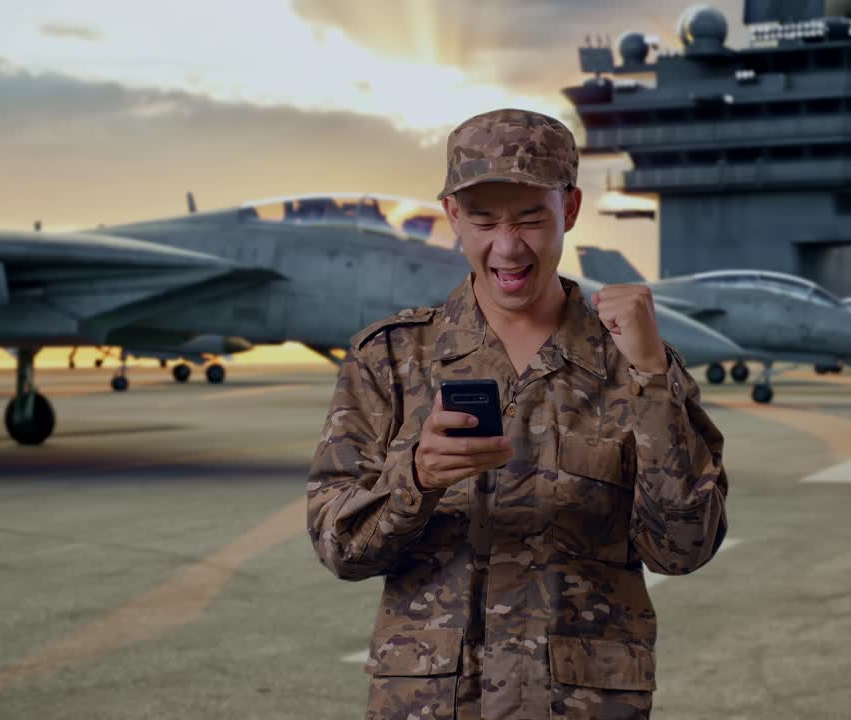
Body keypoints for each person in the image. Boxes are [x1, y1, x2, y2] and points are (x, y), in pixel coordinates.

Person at [307, 108, 729, 720]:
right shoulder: (392, 360)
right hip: (431, 703)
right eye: (482, 220)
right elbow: (338, 548)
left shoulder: (635, 363)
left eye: (532, 218)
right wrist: (415, 480)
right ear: (452, 216)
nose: (508, 247)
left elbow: (684, 550)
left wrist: (651, 380)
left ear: (572, 210)